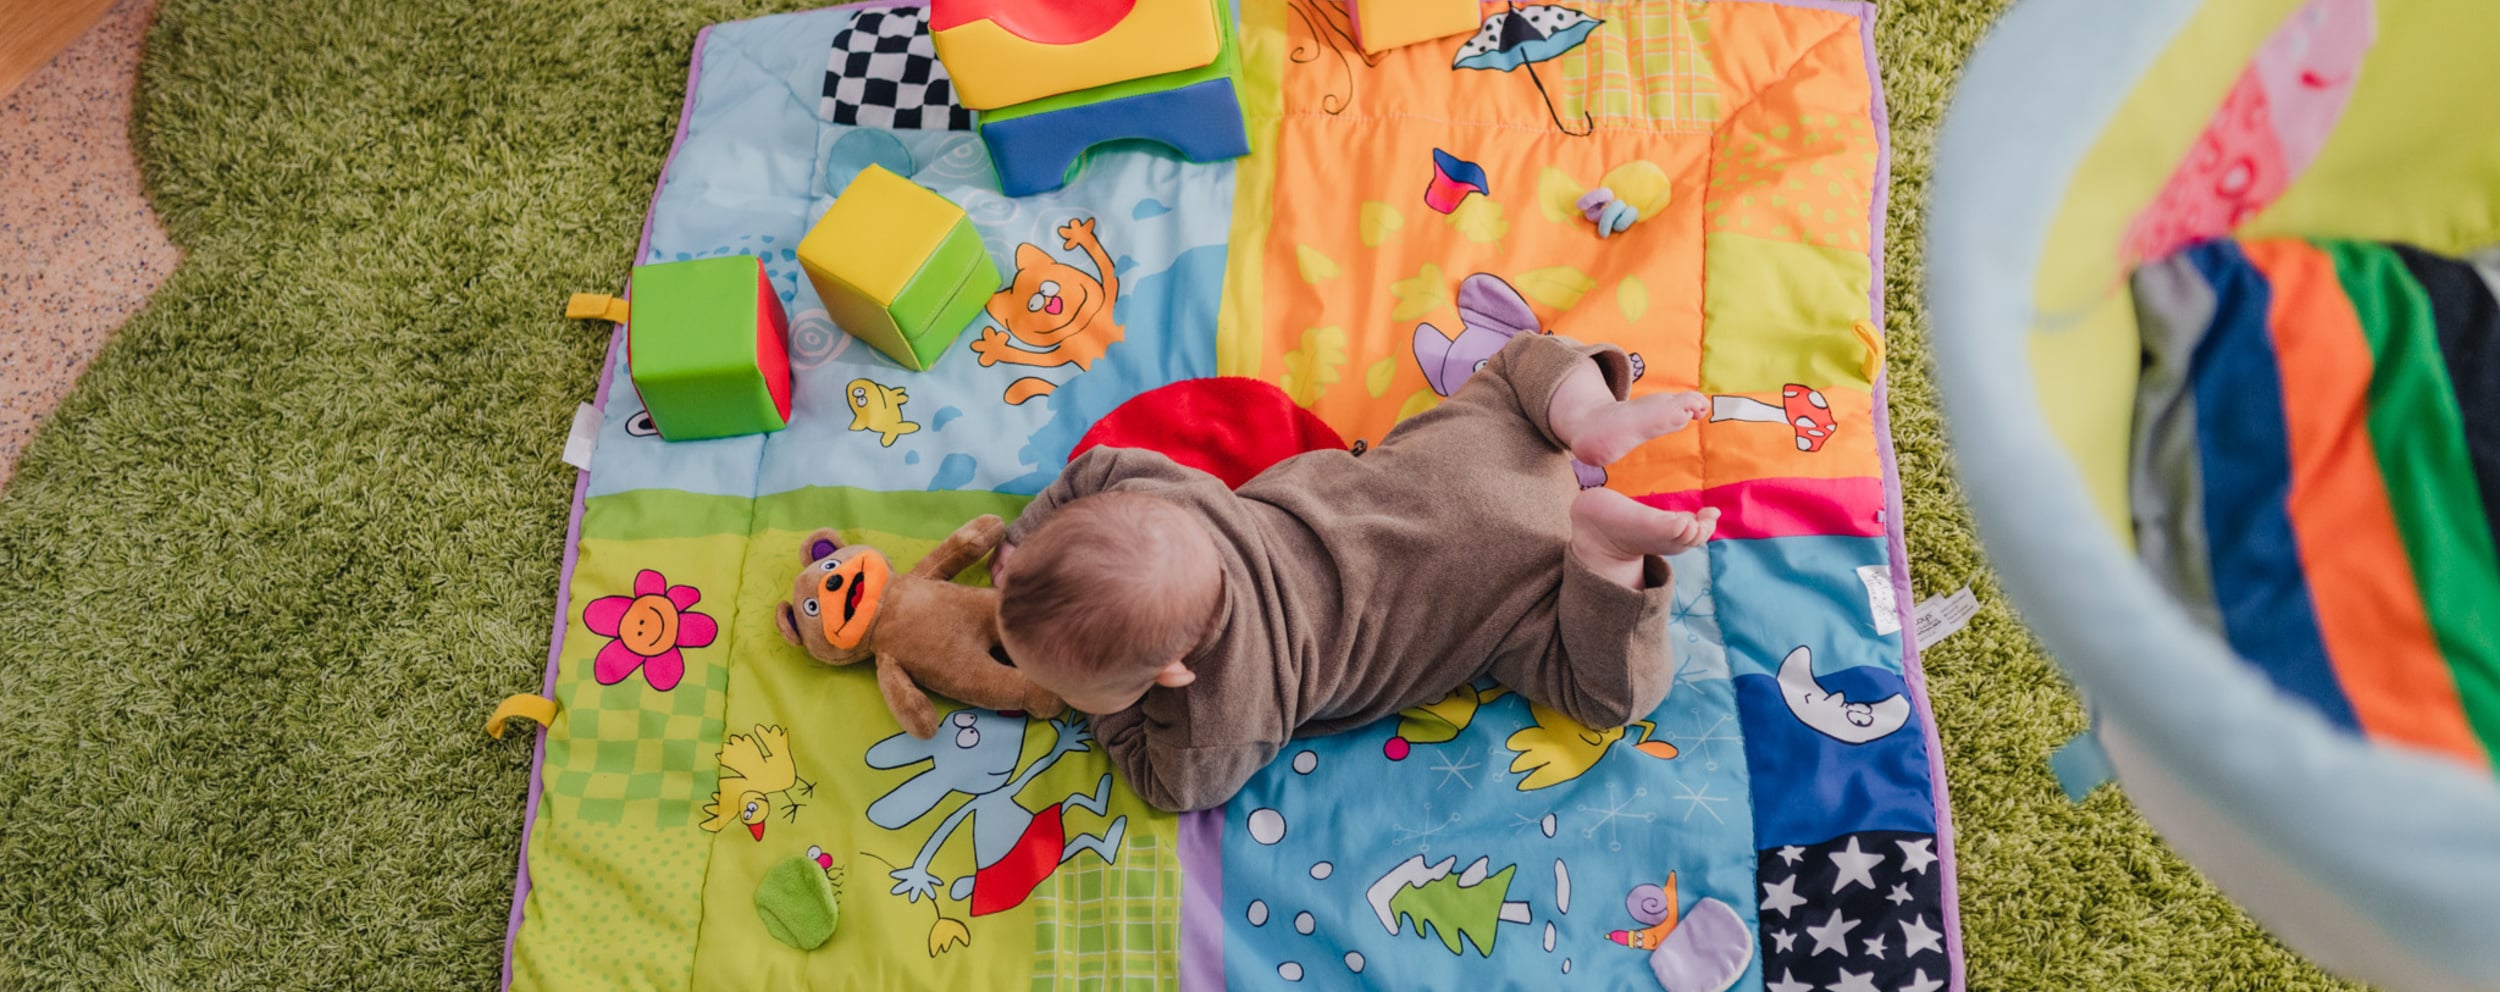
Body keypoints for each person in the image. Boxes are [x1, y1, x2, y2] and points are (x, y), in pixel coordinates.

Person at [991, 333, 1717, 812]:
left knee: (1610, 694)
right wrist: (1024, 546)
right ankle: (1585, 416)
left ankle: (1603, 559)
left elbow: (1166, 787)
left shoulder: (1217, 715)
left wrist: (1105, 710)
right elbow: (1094, 468)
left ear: (1173, 671)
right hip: (1467, 461)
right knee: (1516, 365)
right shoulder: (1162, 496)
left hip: (1508, 585)